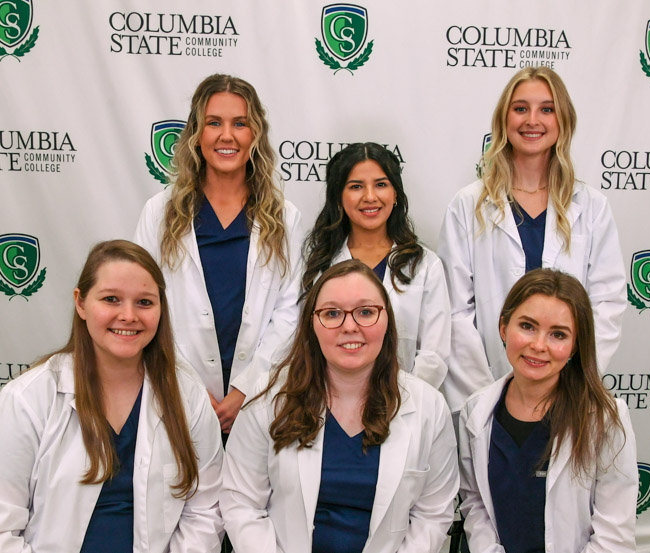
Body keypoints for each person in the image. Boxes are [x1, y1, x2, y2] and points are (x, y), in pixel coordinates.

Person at [0, 240, 224, 552]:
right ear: (81, 303)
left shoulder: (188, 395)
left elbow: (205, 510)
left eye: (145, 302)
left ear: (161, 309)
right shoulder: (27, 399)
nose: (128, 316)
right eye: (111, 299)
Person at [221, 259, 459, 553]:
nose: (350, 326)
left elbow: (432, 515)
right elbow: (241, 503)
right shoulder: (269, 397)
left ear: (387, 321)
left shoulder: (428, 407)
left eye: (366, 312)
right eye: (332, 313)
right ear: (312, 324)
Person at [437, 67, 626, 414]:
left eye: (546, 109)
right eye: (520, 108)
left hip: (567, 391)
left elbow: (606, 305)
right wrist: (487, 394)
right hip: (484, 389)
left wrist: (574, 377)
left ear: (563, 120)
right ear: (504, 119)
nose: (532, 120)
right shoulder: (469, 204)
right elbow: (455, 312)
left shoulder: (591, 206)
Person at [134, 74, 303, 436]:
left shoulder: (285, 218)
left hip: (259, 400)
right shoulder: (159, 213)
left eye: (239, 123)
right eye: (214, 123)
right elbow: (145, 303)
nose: (227, 136)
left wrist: (248, 387)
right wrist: (189, 387)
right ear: (196, 133)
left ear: (255, 134)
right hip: (177, 395)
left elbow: (291, 312)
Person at [458, 268, 637, 553]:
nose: (538, 345)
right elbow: (475, 505)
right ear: (504, 328)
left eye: (558, 334)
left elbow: (614, 534)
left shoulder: (605, 418)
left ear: (575, 346)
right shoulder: (475, 412)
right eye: (527, 326)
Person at [303, 142, 451, 389]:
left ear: (395, 195)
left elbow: (433, 356)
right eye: (356, 187)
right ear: (338, 197)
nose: (370, 197)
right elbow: (305, 345)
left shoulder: (424, 265)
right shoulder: (319, 264)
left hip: (404, 404)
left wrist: (401, 400)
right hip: (330, 400)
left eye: (381, 185)